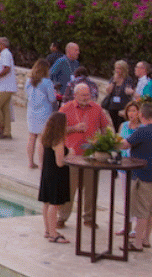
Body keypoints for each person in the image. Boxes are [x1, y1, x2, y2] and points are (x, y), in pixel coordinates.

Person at [58, 81, 114, 227]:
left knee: (90, 189)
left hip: (91, 156)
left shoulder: (96, 108)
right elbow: (57, 130)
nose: (86, 97)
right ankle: (62, 217)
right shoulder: (66, 108)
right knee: (68, 189)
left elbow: (105, 128)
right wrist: (74, 128)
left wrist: (105, 143)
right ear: (75, 95)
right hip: (72, 156)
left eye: (88, 94)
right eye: (83, 95)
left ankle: (89, 218)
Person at [125, 102, 152, 250]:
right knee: (151, 210)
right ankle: (146, 239)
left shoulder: (143, 131)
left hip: (143, 175)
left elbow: (125, 144)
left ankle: (137, 243)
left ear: (141, 115)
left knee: (141, 210)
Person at [38, 112, 71, 244]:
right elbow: (60, 162)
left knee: (46, 203)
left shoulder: (45, 138)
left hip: (46, 172)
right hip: (57, 175)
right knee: (54, 204)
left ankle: (48, 230)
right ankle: (53, 234)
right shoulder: (58, 141)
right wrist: (70, 154)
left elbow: (40, 156)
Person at [24, 58, 58, 168]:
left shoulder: (28, 81)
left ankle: (30, 162)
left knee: (31, 137)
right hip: (44, 111)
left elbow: (26, 95)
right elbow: (52, 98)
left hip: (31, 111)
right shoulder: (47, 82)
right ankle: (42, 164)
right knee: (41, 139)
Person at [0, 37, 17, 140]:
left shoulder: (5, 54)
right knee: (5, 109)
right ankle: (7, 132)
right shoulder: (4, 54)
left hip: (6, 87)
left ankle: (2, 126)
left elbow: (7, 68)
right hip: (4, 86)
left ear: (2, 44)